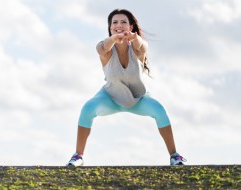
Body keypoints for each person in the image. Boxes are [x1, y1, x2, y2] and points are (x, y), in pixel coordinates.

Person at [66, 9, 186, 166]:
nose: (119, 25)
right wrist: (115, 38)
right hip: (110, 97)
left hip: (138, 99)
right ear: (110, 28)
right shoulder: (105, 49)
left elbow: (142, 47)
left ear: (131, 26)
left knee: (159, 110)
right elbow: (101, 48)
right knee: (88, 108)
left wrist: (134, 38)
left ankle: (174, 156)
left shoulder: (138, 47)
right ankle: (78, 156)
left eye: (123, 22)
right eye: (114, 23)